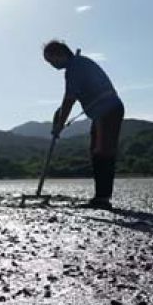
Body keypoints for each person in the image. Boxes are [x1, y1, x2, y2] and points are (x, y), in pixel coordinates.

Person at [43, 40, 124, 210]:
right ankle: (101, 196)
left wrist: (60, 124)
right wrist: (59, 116)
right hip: (102, 113)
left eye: (51, 61)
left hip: (107, 110)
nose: (52, 65)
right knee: (96, 152)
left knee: (102, 152)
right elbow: (69, 98)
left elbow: (69, 99)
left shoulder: (74, 68)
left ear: (60, 54)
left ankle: (102, 198)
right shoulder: (77, 65)